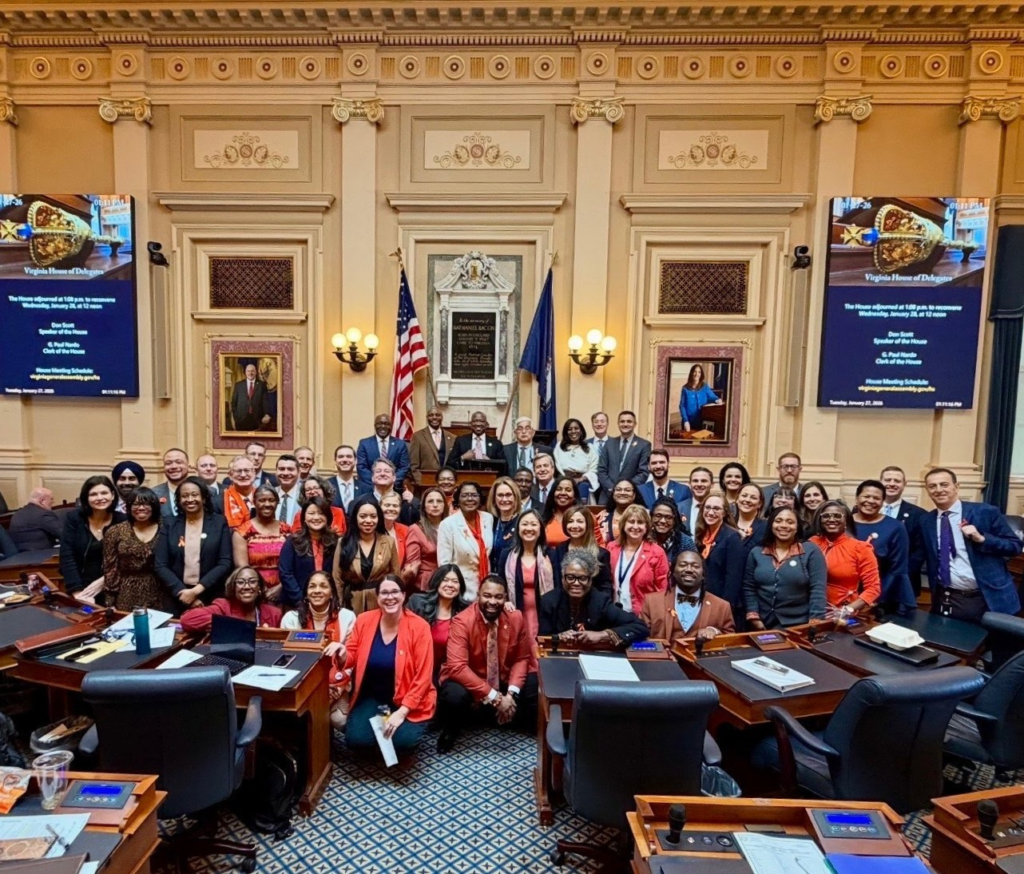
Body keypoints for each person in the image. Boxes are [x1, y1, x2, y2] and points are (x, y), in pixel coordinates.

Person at [436, 575, 534, 753]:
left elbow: (522, 658)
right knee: (453, 695)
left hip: (502, 678)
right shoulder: (462, 622)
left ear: (505, 598)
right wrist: (496, 698)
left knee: (534, 685)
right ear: (478, 596)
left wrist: (510, 695)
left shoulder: (515, 617)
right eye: (487, 596)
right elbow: (457, 667)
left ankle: (509, 713)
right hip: (471, 680)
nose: (492, 602)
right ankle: (451, 730)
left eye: (498, 597)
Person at [341, 575, 436, 756]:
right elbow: (351, 655)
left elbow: (423, 676)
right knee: (357, 741)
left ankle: (391, 733)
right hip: (372, 697)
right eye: (384, 593)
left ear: (404, 595)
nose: (390, 597)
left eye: (395, 592)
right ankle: (377, 732)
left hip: (407, 699)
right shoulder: (364, 620)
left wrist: (402, 712)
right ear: (377, 597)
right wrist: (342, 655)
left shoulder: (420, 627)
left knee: (402, 743)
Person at [921, 467, 1022, 621]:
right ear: (927, 490)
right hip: (948, 598)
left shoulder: (985, 512)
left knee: (995, 637)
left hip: (988, 598)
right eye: (932, 486)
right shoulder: (926, 521)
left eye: (944, 484)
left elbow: (1015, 546)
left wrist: (982, 539)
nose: (939, 490)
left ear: (956, 487)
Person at [282, 571, 356, 729]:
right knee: (300, 719)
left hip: (338, 685)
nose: (317, 590)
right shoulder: (291, 618)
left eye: (323, 586)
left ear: (332, 593)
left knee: (339, 720)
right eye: (312, 586)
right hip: (301, 686)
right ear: (306, 593)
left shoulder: (347, 617)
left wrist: (338, 688)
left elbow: (351, 657)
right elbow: (288, 660)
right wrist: (318, 690)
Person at [154, 477, 233, 612]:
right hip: (176, 595)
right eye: (185, 496)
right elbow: (160, 564)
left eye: (194, 494)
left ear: (204, 498)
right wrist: (182, 592)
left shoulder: (219, 523)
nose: (190, 499)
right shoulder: (169, 523)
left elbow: (224, 562)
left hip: (210, 594)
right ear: (179, 500)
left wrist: (196, 591)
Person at [539, 549, 648, 645]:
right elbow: (542, 638)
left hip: (593, 653)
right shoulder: (549, 601)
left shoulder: (600, 601)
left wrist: (602, 635)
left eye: (583, 578)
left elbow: (640, 627)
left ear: (590, 580)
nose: (576, 583)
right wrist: (559, 637)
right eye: (570, 577)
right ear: (563, 579)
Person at [743, 507, 828, 629]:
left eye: (790, 522)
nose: (783, 525)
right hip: (762, 624)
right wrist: (754, 618)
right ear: (771, 525)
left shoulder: (811, 551)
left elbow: (818, 588)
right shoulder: (756, 552)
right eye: (778, 521)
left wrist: (815, 621)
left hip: (800, 624)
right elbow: (749, 587)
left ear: (797, 527)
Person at [497, 509, 553, 668]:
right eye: (525, 524)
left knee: (540, 655)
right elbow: (500, 584)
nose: (529, 528)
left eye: (533, 524)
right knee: (520, 653)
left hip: (542, 614)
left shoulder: (550, 555)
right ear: (518, 528)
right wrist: (505, 600)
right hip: (516, 612)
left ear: (540, 529)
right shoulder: (507, 554)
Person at [640, 551, 735, 644]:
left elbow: (731, 642)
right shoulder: (651, 602)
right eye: (683, 565)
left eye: (695, 566)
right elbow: (641, 638)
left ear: (703, 574)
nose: (689, 569)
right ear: (673, 571)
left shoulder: (722, 606)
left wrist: (714, 631)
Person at [852, 479, 914, 614]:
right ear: (857, 498)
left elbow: (897, 569)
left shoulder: (895, 527)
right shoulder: (844, 524)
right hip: (843, 595)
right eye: (866, 496)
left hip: (880, 599)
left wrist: (872, 599)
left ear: (882, 502)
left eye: (876, 498)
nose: (870, 501)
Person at [809, 500, 881, 615]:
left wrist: (847, 610)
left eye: (837, 516)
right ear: (820, 520)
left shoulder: (860, 548)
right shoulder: (811, 543)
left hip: (843, 612)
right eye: (826, 516)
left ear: (846, 520)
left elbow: (873, 588)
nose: (831, 519)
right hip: (810, 610)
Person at [60, 475, 126, 597]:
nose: (100, 498)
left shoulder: (123, 521)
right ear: (86, 498)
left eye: (104, 493)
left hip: (114, 586)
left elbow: (127, 560)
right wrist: (77, 592)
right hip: (80, 586)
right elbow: (67, 556)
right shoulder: (74, 518)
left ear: (112, 495)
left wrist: (104, 580)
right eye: (93, 494)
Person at [334, 495, 400, 614]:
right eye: (363, 516)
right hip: (352, 603)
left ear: (379, 518)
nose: (368, 521)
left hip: (381, 602)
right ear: (355, 518)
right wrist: (338, 606)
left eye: (373, 516)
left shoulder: (389, 542)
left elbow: (395, 576)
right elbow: (337, 578)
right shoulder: (343, 542)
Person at [102, 487, 163, 611]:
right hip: (126, 591)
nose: (141, 508)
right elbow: (111, 568)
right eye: (136, 504)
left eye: (146, 504)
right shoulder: (115, 531)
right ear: (128, 507)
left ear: (154, 506)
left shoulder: (165, 528)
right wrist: (110, 600)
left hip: (161, 590)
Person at [408, 564, 471, 683]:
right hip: (416, 666)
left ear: (460, 586)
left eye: (455, 581)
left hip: (448, 672)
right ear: (437, 582)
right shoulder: (417, 603)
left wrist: (505, 606)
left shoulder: (465, 610)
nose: (450, 585)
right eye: (445, 580)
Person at [232, 484, 291, 603]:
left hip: (285, 590)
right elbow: (243, 568)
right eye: (262, 500)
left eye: (271, 500)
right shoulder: (243, 532)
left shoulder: (287, 530)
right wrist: (262, 590)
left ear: (277, 502)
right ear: (254, 502)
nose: (267, 504)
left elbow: (293, 565)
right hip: (253, 592)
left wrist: (280, 587)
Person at [180, 565, 283, 633]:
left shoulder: (274, 614)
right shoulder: (223, 607)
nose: (247, 586)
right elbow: (187, 619)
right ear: (233, 588)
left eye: (252, 581)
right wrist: (228, 625)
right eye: (240, 582)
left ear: (259, 587)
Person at [437, 481, 494, 601]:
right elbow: (444, 564)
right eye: (464, 495)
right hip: (462, 589)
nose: (469, 499)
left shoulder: (488, 518)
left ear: (480, 498)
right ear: (458, 499)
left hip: (486, 587)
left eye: (474, 495)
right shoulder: (448, 524)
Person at [607, 505, 669, 614]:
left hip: (643, 615)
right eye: (631, 521)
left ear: (646, 527)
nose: (635, 526)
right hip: (613, 612)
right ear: (623, 524)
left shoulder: (657, 553)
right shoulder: (611, 548)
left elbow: (662, 589)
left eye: (640, 522)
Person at [694, 492, 746, 621]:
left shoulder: (732, 537)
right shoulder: (701, 534)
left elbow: (733, 579)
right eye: (707, 507)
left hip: (723, 606)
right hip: (703, 601)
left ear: (725, 513)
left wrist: (724, 609)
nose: (711, 512)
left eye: (716, 508)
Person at [279, 497, 339, 608]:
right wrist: (301, 600)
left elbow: (340, 575)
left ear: (327, 517)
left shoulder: (336, 542)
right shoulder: (293, 541)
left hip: (330, 603)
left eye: (321, 513)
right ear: (304, 518)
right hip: (296, 603)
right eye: (311, 513)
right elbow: (285, 573)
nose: (316, 517)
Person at [880, 464, 928, 596]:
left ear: (904, 484)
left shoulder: (919, 514)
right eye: (887, 480)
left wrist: (900, 573)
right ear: (880, 482)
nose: (892, 484)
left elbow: (920, 551)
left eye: (897, 481)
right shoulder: (862, 511)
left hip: (904, 581)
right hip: (869, 580)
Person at [550, 506, 614, 594]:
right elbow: (557, 580)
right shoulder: (560, 549)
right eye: (570, 521)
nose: (574, 526)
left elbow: (605, 587)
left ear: (588, 524)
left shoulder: (601, 554)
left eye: (580, 521)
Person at [596, 410, 651, 495]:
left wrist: (625, 488)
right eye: (622, 421)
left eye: (629, 421)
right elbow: (601, 470)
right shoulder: (609, 443)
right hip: (608, 493)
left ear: (635, 424)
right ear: (618, 424)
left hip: (630, 494)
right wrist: (612, 488)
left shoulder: (644, 445)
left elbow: (643, 473)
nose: (625, 424)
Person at [403, 487, 447, 593]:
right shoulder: (416, 529)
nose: (435, 505)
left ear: (445, 505)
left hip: (448, 581)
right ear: (423, 507)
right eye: (430, 501)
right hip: (425, 584)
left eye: (439, 501)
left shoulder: (452, 527)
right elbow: (412, 564)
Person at [356, 414, 411, 489]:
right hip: (370, 487)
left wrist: (391, 481)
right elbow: (361, 467)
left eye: (386, 424)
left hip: (394, 488)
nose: (383, 426)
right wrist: (377, 482)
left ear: (391, 426)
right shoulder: (364, 443)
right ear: (375, 425)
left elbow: (404, 467)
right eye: (380, 423)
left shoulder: (400, 444)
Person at [552, 418, 599, 503]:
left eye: (576, 428)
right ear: (566, 432)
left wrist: (580, 479)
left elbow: (594, 469)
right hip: (562, 481)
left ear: (581, 431)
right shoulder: (559, 446)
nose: (573, 431)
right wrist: (566, 480)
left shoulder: (590, 448)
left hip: (582, 483)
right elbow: (555, 466)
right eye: (569, 429)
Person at [408, 407, 457, 486]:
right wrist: (422, 482)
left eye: (437, 415)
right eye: (431, 415)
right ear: (427, 417)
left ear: (442, 417)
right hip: (426, 483)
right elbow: (414, 465)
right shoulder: (418, 437)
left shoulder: (452, 437)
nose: (434, 417)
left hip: (447, 484)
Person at [649, 496, 698, 567]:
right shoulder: (644, 539)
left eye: (668, 517)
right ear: (651, 517)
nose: (663, 521)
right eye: (658, 516)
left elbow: (695, 566)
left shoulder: (685, 542)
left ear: (674, 520)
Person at [9, 487, 61, 551]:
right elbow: (62, 534)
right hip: (42, 552)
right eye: (51, 499)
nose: (53, 502)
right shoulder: (43, 514)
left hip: (21, 552)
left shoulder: (18, 513)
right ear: (42, 501)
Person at [486, 476, 522, 567]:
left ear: (515, 497)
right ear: (494, 499)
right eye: (500, 495)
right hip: (493, 573)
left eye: (508, 495)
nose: (504, 499)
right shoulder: (489, 522)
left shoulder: (522, 522)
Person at [678, 364, 724, 433]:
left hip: (701, 421)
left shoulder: (705, 386)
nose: (697, 374)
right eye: (695, 371)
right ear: (691, 373)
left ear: (701, 374)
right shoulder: (685, 389)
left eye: (699, 372)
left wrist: (717, 399)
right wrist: (685, 421)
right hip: (688, 422)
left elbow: (712, 397)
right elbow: (682, 406)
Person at [599, 478, 645, 544]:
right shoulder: (602, 517)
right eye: (618, 489)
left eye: (627, 490)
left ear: (634, 495)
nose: (622, 493)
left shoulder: (645, 516)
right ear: (613, 494)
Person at [541, 476, 583, 548]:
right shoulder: (542, 518)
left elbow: (598, 546)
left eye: (568, 490)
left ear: (575, 496)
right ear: (553, 494)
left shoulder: (586, 517)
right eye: (559, 489)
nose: (563, 493)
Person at [230, 362, 271, 431]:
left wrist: (266, 414)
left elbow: (265, 401)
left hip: (257, 420)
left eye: (252, 371)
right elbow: (234, 403)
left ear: (256, 372)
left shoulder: (262, 385)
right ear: (245, 372)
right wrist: (236, 417)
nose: (250, 373)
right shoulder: (238, 385)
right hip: (241, 420)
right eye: (248, 371)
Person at [328, 444, 369, 513]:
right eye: (341, 457)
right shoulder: (325, 486)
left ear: (355, 460)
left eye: (349, 456)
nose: (345, 460)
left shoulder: (366, 489)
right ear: (335, 460)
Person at [152, 448, 190, 519]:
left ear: (188, 466)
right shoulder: (153, 494)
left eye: (179, 462)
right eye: (168, 463)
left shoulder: (207, 492)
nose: (174, 466)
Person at [222, 455, 258, 529]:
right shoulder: (219, 500)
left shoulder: (263, 498)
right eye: (238, 471)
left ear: (254, 473)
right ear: (230, 475)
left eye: (247, 470)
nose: (243, 475)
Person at [677, 467, 714, 534]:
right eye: (695, 481)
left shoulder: (720, 508)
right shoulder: (678, 508)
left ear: (712, 484)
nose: (699, 484)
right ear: (690, 484)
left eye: (703, 481)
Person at [380, 491, 409, 567]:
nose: (391, 508)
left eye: (395, 506)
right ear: (379, 507)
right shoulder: (371, 530)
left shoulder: (405, 530)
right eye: (387, 505)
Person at [588, 411, 611, 503]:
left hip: (608, 485)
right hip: (590, 485)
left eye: (602, 421)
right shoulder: (585, 444)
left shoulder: (616, 443)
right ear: (592, 424)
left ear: (607, 424)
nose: (599, 424)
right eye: (596, 421)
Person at [733, 483, 767, 547]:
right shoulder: (727, 524)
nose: (747, 500)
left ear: (760, 504)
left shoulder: (766, 526)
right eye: (744, 496)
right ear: (737, 499)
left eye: (753, 498)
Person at [274, 454, 302, 527]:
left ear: (299, 473)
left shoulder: (305, 495)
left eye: (290, 469)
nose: (285, 473)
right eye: (281, 469)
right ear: (276, 471)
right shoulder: (270, 494)